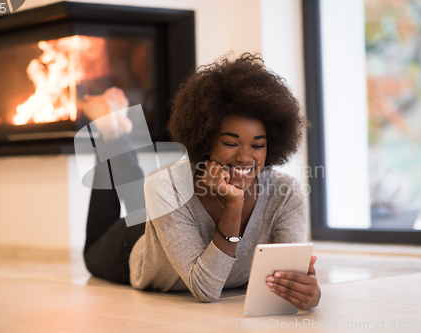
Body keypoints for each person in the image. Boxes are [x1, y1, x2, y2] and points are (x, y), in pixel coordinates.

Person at [83, 52, 321, 309]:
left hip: (170, 218)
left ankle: (117, 133)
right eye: (231, 143)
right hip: (133, 244)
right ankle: (109, 133)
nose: (245, 157)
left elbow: (288, 281)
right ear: (206, 141)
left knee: (147, 202)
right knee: (95, 248)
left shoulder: (285, 192)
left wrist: (310, 294)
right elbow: (205, 289)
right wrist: (234, 204)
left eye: (258, 145)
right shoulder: (167, 185)